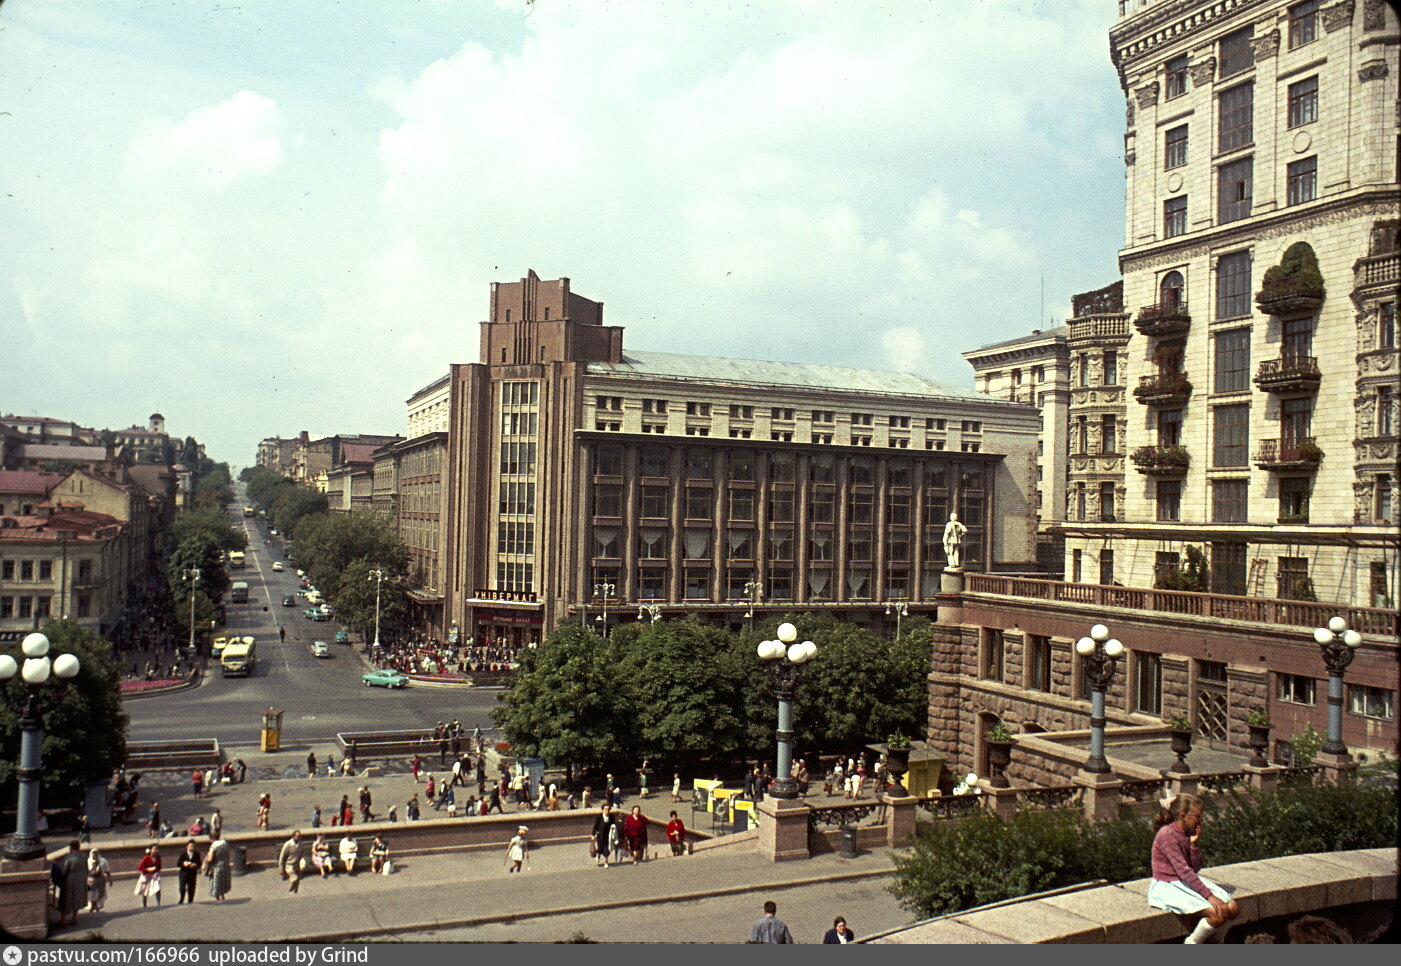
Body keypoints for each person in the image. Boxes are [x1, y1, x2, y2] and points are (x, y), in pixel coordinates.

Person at [1149, 793, 1239, 943]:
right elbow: (1183, 871)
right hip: (1169, 884)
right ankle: (1192, 942)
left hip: (1184, 881)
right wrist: (1210, 896)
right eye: (1197, 816)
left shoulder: (1184, 834)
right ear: (1183, 816)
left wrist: (1193, 845)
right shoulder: (1167, 835)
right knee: (1216, 914)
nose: (1200, 821)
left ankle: (1216, 940)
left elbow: (1194, 868)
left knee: (1233, 908)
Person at [56, 840, 88, 926]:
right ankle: (74, 918)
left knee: (66, 901)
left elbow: (64, 871)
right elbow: (86, 868)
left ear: (71, 847)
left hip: (69, 882)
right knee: (77, 900)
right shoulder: (84, 856)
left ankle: (63, 920)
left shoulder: (68, 858)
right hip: (80, 880)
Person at [204, 834, 231, 902]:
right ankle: (223, 897)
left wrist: (206, 859)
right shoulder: (225, 844)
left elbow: (210, 859)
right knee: (223, 882)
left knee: (216, 883)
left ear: (211, 839)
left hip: (216, 867)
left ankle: (218, 899)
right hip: (225, 865)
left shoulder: (214, 846)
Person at [85, 847, 111, 913]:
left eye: (96, 854)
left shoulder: (103, 861)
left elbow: (107, 870)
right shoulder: (88, 861)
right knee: (91, 893)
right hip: (91, 879)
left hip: (100, 879)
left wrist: (110, 880)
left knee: (100, 892)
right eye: (93, 855)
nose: (94, 856)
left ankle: (98, 905)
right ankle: (92, 905)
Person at [177, 840, 202, 905]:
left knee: (191, 888)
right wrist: (184, 864)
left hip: (192, 873)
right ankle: (181, 899)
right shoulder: (183, 854)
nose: (192, 848)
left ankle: (190, 900)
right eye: (190, 846)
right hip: (183, 873)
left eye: (193, 846)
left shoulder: (197, 854)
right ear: (187, 846)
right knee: (182, 887)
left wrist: (195, 865)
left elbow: (199, 863)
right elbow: (178, 863)